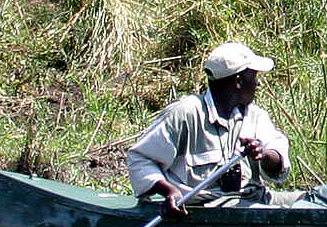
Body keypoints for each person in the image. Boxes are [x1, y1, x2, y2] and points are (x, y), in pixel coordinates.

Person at [127, 40, 301, 213]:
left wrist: (264, 154)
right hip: (212, 210)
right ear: (238, 81)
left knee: (323, 197)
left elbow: (278, 161)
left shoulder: (255, 115)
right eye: (254, 76)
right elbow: (140, 159)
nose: (257, 84)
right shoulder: (185, 114)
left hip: (254, 198)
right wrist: (169, 191)